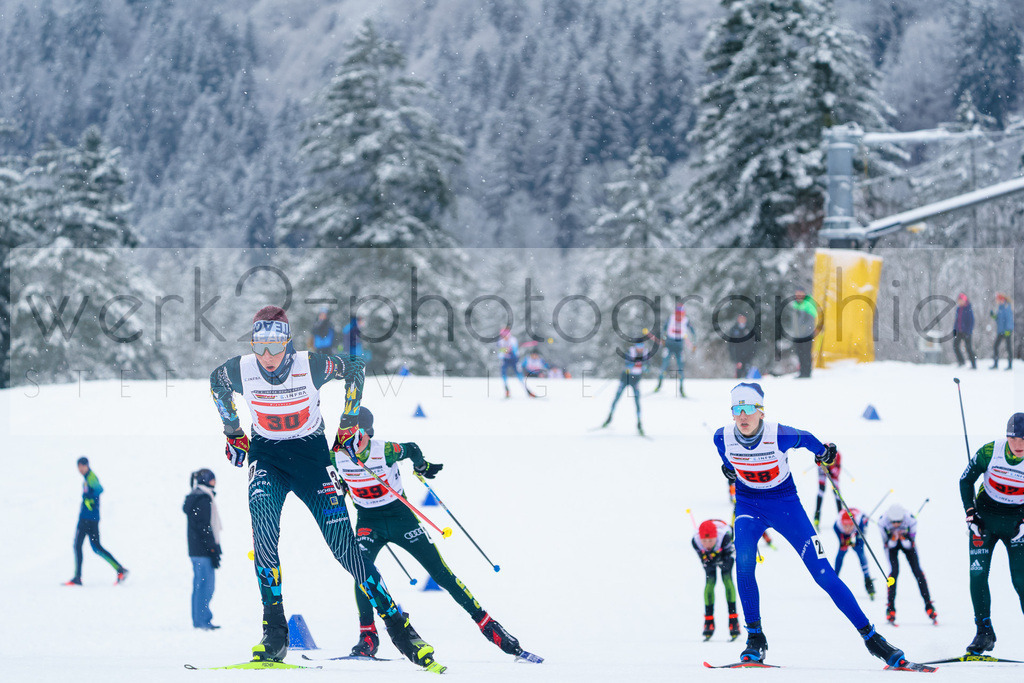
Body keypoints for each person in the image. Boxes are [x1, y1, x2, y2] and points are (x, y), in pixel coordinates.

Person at [209, 305, 443, 672]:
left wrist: (349, 423)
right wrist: (233, 431)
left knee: (344, 549)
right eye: (260, 347)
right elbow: (215, 381)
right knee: (264, 536)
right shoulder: (240, 369)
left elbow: (355, 367)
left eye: (275, 347)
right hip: (267, 459)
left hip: (313, 462)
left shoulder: (310, 364)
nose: (268, 357)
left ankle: (400, 628)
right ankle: (275, 632)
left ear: (287, 343)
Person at [715, 382, 910, 667]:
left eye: (748, 409)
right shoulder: (722, 438)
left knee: (823, 574)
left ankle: (873, 639)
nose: (742, 417)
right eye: (736, 410)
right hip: (748, 505)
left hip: (786, 506)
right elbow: (728, 463)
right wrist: (728, 470)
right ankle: (755, 639)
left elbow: (808, 440)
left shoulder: (779, 434)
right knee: (743, 564)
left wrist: (824, 452)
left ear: (761, 411)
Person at [338, 407, 538, 661]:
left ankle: (490, 627)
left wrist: (421, 465)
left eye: (361, 433)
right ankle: (367, 637)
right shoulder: (337, 456)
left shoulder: (385, 450)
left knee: (441, 573)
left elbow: (411, 448)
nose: (356, 440)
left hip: (402, 520)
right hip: (368, 523)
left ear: (369, 432)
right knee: (362, 573)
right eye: (350, 434)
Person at [958, 412, 1024, 655]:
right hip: (984, 521)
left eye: (1023, 439)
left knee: (1021, 581)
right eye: (1014, 438)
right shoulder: (990, 451)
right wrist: (970, 512)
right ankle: (983, 632)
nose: (1018, 445)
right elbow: (966, 481)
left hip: (1016, 525)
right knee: (977, 576)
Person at [65, 457, 128, 586]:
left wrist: (90, 498)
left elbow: (99, 489)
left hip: (87, 519)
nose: (80, 469)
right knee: (94, 547)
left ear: (87, 466)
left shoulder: (91, 478)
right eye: (79, 467)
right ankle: (120, 569)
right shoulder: (87, 478)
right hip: (90, 518)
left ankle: (78, 577)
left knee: (81, 546)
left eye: (82, 466)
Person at [879, 503, 935, 625]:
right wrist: (893, 539)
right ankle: (890, 607)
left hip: (907, 544)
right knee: (893, 572)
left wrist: (904, 538)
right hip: (891, 546)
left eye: (898, 522)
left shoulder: (911, 520)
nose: (895, 525)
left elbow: (911, 544)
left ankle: (929, 604)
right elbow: (887, 544)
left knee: (917, 571)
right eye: (893, 522)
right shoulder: (882, 522)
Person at [183, 468, 222, 630]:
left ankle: (201, 619)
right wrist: (212, 548)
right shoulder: (203, 499)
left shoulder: (198, 496)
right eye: (212, 479)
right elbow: (204, 526)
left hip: (198, 549)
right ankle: (201, 621)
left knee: (202, 585)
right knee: (205, 585)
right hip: (202, 550)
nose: (214, 482)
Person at [601, 333, 660, 436]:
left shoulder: (645, 354)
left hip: (635, 380)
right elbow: (626, 363)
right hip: (625, 378)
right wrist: (632, 364)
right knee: (616, 398)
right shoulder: (631, 352)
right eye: (638, 347)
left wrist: (644, 367)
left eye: (641, 347)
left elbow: (647, 368)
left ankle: (639, 423)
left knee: (637, 401)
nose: (640, 349)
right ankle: (609, 418)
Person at [692, 519, 739, 641]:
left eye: (710, 540)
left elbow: (729, 554)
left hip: (725, 551)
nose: (707, 544)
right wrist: (707, 558)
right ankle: (709, 621)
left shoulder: (724, 538)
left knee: (727, 579)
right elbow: (703, 558)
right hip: (715, 554)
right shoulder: (696, 541)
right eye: (704, 541)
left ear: (715, 537)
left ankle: (733, 620)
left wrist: (720, 557)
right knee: (710, 581)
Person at [654, 302, 696, 396]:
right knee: (664, 366)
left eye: (681, 313)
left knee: (681, 368)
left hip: (679, 347)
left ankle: (681, 389)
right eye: (678, 313)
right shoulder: (671, 318)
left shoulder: (686, 320)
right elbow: (664, 329)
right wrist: (663, 338)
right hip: (669, 345)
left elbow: (693, 332)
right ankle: (659, 385)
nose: (679, 316)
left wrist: (694, 343)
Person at [833, 508, 875, 600]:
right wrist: (845, 543)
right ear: (842, 524)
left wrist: (854, 544)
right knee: (842, 551)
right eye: (845, 526)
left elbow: (859, 545)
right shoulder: (837, 526)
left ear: (853, 524)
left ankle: (868, 581)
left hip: (861, 525)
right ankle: (834, 579)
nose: (847, 529)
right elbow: (842, 543)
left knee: (860, 551)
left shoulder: (860, 523)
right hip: (847, 525)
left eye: (849, 526)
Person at [788, 288, 819, 378]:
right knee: (800, 354)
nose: (799, 296)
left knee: (806, 353)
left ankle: (806, 372)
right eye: (797, 294)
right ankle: (802, 372)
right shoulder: (796, 305)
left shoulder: (808, 305)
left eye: (800, 294)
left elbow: (809, 322)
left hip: (806, 335)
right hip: (798, 335)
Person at [496, 328, 533, 398]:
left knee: (519, 375)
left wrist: (508, 350)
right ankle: (507, 390)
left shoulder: (513, 340)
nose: (505, 337)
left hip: (514, 360)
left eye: (506, 335)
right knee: (503, 374)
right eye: (503, 335)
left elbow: (515, 351)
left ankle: (527, 391)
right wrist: (505, 350)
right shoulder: (500, 341)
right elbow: (500, 351)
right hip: (505, 360)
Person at [813, 450, 842, 530]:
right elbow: (818, 463)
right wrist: (824, 465)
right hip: (822, 468)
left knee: (836, 492)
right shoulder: (821, 452)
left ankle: (841, 516)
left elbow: (837, 473)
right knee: (821, 491)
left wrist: (832, 465)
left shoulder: (838, 455)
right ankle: (817, 517)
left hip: (833, 470)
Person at [725, 313, 757, 379]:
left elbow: (754, 343)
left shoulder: (749, 328)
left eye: (743, 318)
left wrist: (752, 354)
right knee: (739, 372)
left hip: (748, 354)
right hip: (738, 354)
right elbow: (731, 344)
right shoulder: (734, 329)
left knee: (747, 372)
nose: (742, 319)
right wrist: (733, 357)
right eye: (740, 317)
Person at [953, 292, 976, 369]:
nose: (959, 302)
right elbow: (957, 321)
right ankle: (961, 361)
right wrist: (955, 330)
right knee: (955, 346)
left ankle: (973, 364)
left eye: (960, 300)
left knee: (968, 348)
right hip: (959, 331)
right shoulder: (958, 309)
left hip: (966, 332)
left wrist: (968, 331)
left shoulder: (968, 308)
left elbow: (971, 321)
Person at [990, 293, 1013, 370]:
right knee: (995, 346)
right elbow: (999, 320)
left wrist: (1008, 330)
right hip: (1000, 331)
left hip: (1007, 331)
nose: (997, 301)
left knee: (1008, 348)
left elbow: (1009, 320)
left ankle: (1010, 365)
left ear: (1001, 300)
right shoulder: (1000, 307)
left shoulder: (1007, 307)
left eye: (997, 299)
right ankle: (995, 364)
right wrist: (994, 316)